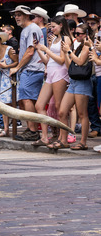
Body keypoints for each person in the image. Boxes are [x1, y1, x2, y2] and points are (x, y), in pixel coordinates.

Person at [50, 23, 95, 150]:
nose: (76, 36)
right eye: (76, 33)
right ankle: (63, 139)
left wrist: (69, 51)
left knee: (82, 113)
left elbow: (80, 62)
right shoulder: (78, 46)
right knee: (63, 111)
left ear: (86, 35)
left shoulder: (87, 46)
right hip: (74, 81)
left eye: (79, 34)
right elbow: (70, 65)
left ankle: (83, 142)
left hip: (83, 82)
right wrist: (67, 53)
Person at [32, 15, 71, 146]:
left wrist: (46, 49)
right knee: (39, 105)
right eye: (51, 27)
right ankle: (44, 137)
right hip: (50, 72)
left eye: (54, 26)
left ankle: (62, 138)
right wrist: (39, 50)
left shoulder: (65, 39)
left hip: (60, 73)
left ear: (61, 25)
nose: (52, 29)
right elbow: (48, 60)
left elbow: (61, 60)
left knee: (60, 107)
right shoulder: (54, 40)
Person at [8, 5, 45, 142]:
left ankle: (33, 130)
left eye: (20, 14)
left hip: (32, 69)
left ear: (27, 15)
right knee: (27, 99)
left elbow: (30, 51)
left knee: (27, 99)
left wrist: (17, 67)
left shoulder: (32, 28)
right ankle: (32, 129)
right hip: (29, 69)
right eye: (15, 14)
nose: (17, 17)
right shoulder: (26, 29)